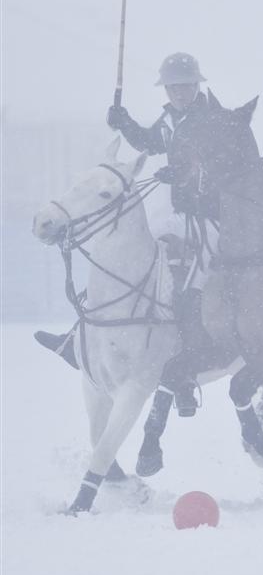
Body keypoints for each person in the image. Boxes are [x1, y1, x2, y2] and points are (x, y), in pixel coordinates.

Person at [35, 53, 217, 410]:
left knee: (190, 277)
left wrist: (184, 174)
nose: (179, 92)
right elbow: (151, 142)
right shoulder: (171, 118)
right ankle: (75, 338)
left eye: (185, 86)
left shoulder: (211, 120)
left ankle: (189, 354)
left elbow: (217, 162)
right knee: (129, 253)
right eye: (173, 87)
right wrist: (125, 122)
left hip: (210, 213)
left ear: (197, 85)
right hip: (178, 212)